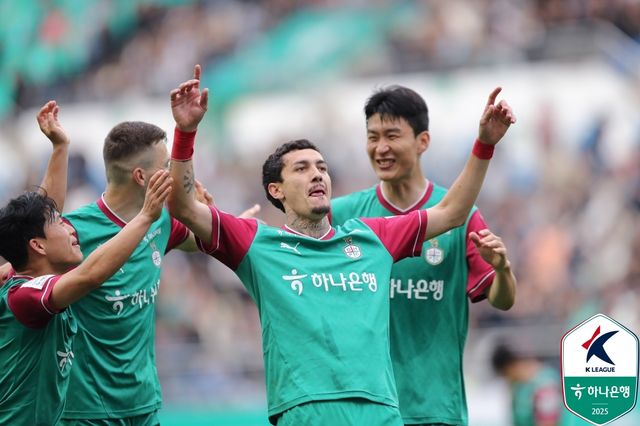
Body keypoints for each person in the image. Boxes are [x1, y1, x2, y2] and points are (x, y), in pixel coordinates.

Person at [167, 65, 516, 425]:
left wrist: (484, 144)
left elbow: (453, 211)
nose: (317, 174)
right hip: (307, 412)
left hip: (382, 412)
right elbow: (182, 207)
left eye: (321, 167)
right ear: (276, 190)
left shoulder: (371, 236)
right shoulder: (258, 243)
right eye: (301, 169)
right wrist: (186, 132)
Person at [330, 85, 517, 425]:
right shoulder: (344, 216)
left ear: (423, 141)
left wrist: (502, 269)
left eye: (392, 136)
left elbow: (502, 300)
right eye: (373, 137)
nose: (381, 148)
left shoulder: (462, 215)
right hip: (368, 411)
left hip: (437, 409)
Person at [0, 100, 173, 425]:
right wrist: (146, 216)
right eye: (60, 224)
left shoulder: (30, 280)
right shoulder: (27, 296)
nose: (70, 227)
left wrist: (60, 147)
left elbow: (41, 220)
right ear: (37, 245)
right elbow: (90, 276)